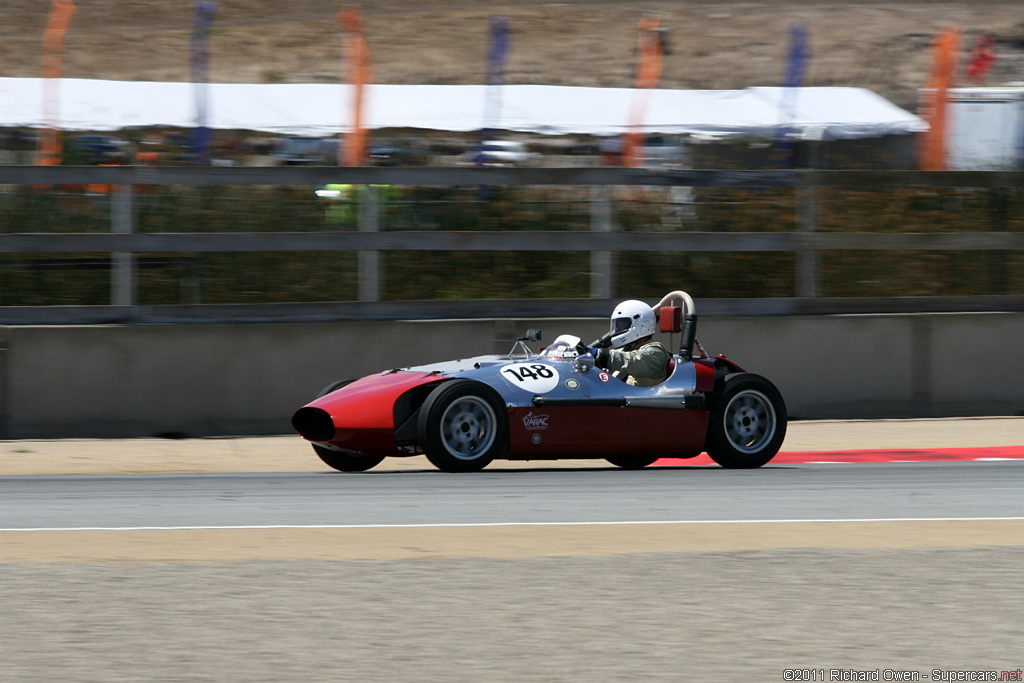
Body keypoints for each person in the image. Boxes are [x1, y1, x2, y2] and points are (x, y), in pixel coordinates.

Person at [591, 300, 670, 387]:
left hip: (638, 399)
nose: (619, 329)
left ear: (641, 325)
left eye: (623, 325)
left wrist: (601, 355)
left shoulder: (656, 352)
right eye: (618, 325)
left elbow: (631, 360)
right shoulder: (624, 350)